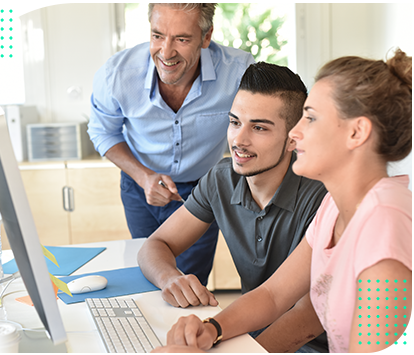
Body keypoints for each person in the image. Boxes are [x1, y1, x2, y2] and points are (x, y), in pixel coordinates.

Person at [156, 49, 412, 353]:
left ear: (356, 133)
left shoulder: (384, 225)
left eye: (311, 118)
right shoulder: (335, 208)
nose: (296, 132)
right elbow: (273, 295)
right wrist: (212, 330)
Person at [139, 61, 328, 352]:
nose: (239, 140)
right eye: (235, 122)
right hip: (247, 333)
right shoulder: (221, 179)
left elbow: (308, 318)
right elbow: (157, 244)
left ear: (293, 139)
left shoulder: (322, 197)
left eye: (259, 128)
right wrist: (170, 279)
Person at [88, 3, 254, 287]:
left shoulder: (238, 73)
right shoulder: (117, 74)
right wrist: (144, 177)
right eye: (157, 36)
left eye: (182, 39)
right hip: (140, 185)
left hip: (201, 192)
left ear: (206, 37)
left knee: (190, 281)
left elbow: (260, 124)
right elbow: (103, 132)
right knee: (147, 274)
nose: (166, 52)